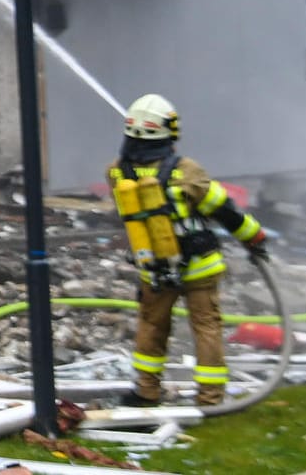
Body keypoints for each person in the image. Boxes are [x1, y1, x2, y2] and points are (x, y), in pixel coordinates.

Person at [110, 93, 267, 407]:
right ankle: (210, 397)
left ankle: (146, 390)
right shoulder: (187, 172)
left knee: (152, 325)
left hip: (154, 266)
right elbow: (224, 209)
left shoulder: (117, 173)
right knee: (206, 327)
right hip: (198, 265)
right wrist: (255, 237)